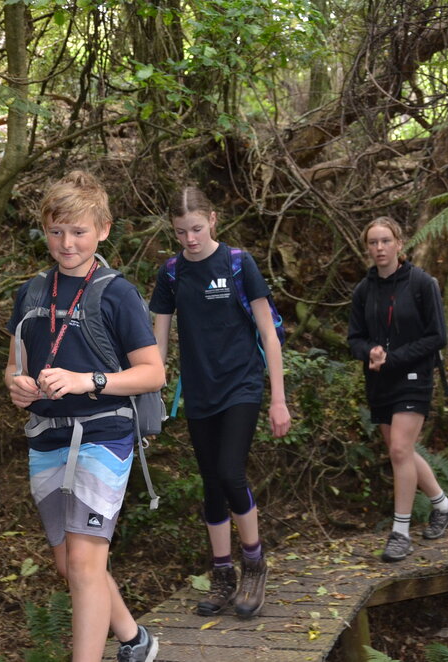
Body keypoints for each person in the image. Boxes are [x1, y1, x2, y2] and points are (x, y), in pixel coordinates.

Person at [4, 171, 164, 662]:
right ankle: (134, 639)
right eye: (57, 231)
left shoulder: (116, 293)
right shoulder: (31, 292)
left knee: (84, 561)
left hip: (104, 433)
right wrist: (17, 385)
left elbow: (153, 372)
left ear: (103, 230)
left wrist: (85, 380)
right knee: (68, 564)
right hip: (48, 436)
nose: (67, 243)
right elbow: (14, 364)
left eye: (78, 231)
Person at [149, 186, 291, 619]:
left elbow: (268, 333)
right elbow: (158, 340)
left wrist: (278, 400)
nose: (189, 239)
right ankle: (222, 573)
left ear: (212, 219)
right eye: (180, 231)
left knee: (231, 472)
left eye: (195, 228)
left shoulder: (237, 263)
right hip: (199, 390)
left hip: (242, 385)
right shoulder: (171, 273)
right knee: (211, 484)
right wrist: (151, 393)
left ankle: (254, 563)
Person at [347, 217, 448, 562]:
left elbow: (437, 336)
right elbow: (354, 338)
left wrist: (395, 358)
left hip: (414, 377)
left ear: (399, 243)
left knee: (399, 448)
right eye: (373, 243)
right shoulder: (363, 291)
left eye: (385, 241)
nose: (379, 248)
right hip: (379, 380)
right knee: (402, 452)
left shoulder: (422, 283)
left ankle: (400, 532)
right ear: (367, 248)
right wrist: (370, 352)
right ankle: (443, 506)